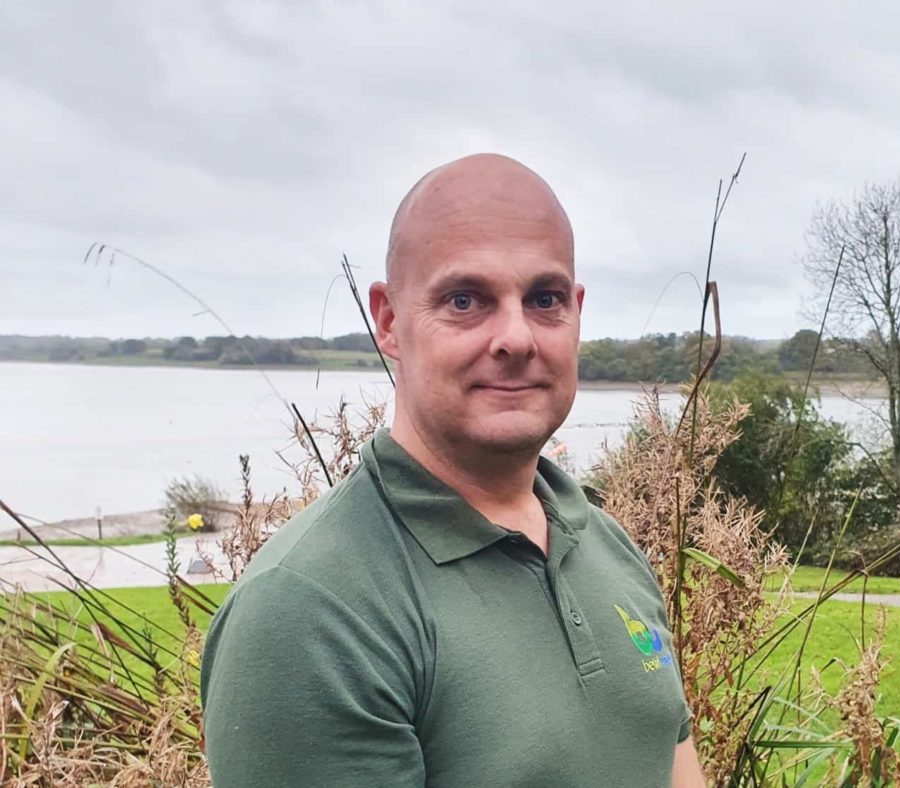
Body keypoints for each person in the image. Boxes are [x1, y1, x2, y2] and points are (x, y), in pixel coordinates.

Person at [200, 153, 705, 787]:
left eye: (544, 299)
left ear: (577, 311)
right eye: (466, 300)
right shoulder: (310, 610)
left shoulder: (605, 545)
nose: (516, 338)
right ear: (388, 321)